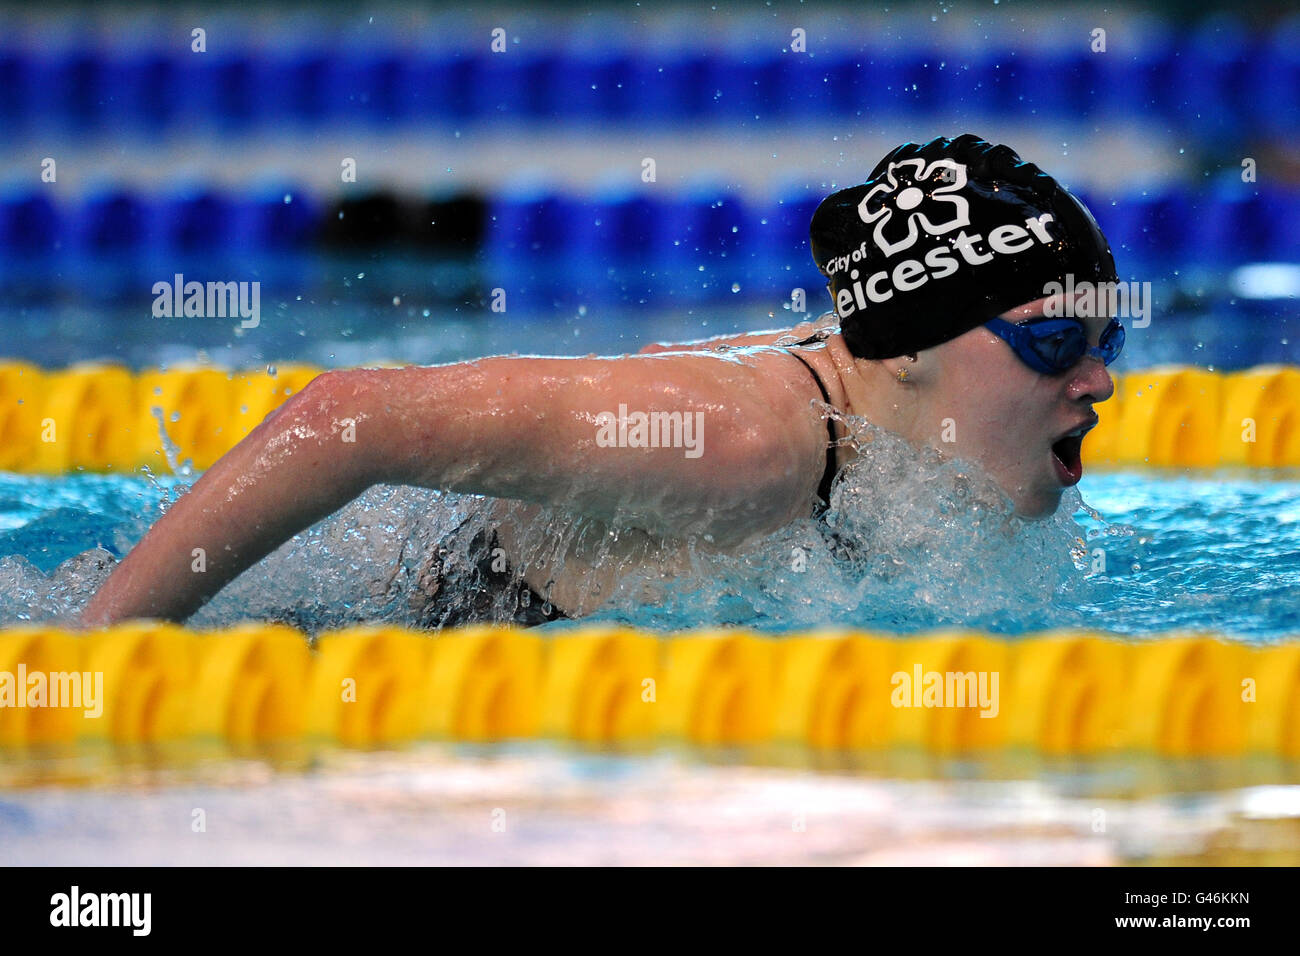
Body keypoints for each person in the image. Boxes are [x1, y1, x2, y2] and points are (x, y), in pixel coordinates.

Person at [80, 133, 1123, 629]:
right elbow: (350, 415)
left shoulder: (876, 399)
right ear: (914, 344)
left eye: (1106, 341)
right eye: (1053, 338)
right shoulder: (750, 447)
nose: (1098, 382)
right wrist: (105, 648)